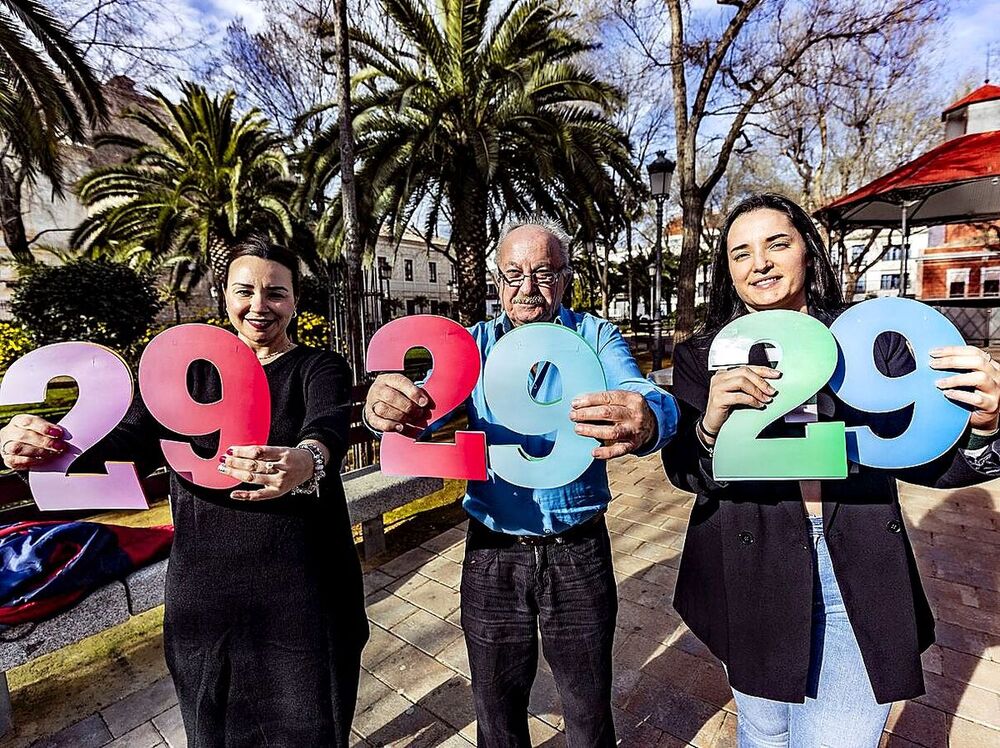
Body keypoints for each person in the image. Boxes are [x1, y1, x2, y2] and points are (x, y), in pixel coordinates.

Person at [660, 193, 1000, 746]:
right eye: (740, 253)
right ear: (727, 271)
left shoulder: (867, 344)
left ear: (808, 255)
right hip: (750, 575)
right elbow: (688, 471)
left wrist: (986, 423)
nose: (760, 263)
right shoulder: (705, 357)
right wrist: (711, 428)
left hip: (853, 570)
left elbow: (932, 459)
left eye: (777, 244)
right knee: (764, 732)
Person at [0, 237, 369, 747]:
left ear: (295, 300)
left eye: (276, 293)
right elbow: (122, 444)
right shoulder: (186, 374)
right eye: (245, 291)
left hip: (307, 590)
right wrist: (38, 447)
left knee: (312, 730)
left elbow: (327, 425)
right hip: (206, 595)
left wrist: (307, 461)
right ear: (222, 296)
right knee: (214, 731)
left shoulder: (318, 366)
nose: (259, 306)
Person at [364, 217, 679, 747]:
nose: (527, 289)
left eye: (544, 273)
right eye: (513, 275)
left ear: (567, 277)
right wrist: (385, 409)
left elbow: (641, 392)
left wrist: (647, 416)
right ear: (497, 281)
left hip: (577, 550)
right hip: (492, 553)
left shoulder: (594, 336)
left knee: (587, 710)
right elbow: (422, 414)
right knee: (496, 711)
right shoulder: (474, 345)